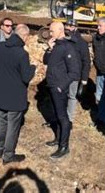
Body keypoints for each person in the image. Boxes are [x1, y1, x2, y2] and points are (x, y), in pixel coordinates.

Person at [0, 24, 36, 165]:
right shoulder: (22, 54)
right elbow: (26, 77)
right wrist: (33, 67)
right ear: (24, 36)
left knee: (1, 122)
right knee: (13, 126)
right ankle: (8, 155)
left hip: (1, 93)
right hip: (15, 97)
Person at [43, 21, 80, 159]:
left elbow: (74, 72)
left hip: (59, 87)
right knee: (57, 115)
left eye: (52, 31)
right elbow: (46, 61)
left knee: (63, 117)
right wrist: (49, 48)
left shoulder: (67, 47)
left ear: (60, 30)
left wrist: (61, 86)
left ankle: (64, 146)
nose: (50, 34)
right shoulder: (56, 46)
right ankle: (58, 139)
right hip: (52, 85)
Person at [64, 19, 91, 121]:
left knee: (71, 96)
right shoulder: (63, 40)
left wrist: (84, 78)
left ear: (75, 28)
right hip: (62, 73)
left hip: (74, 74)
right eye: (67, 26)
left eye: (70, 26)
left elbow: (86, 61)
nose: (68, 28)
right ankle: (62, 116)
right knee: (62, 95)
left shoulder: (81, 43)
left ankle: (69, 118)